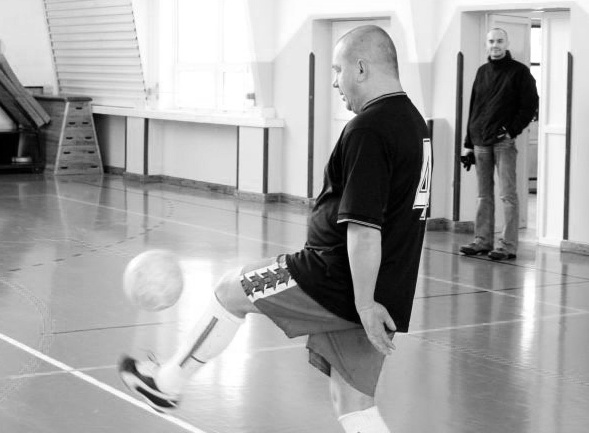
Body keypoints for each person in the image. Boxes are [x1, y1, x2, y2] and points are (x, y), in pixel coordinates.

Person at [118, 24, 432, 433]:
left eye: (337, 70)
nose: (335, 82)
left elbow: (364, 228)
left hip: (335, 280)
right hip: (380, 289)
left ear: (361, 67)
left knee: (231, 291)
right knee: (354, 405)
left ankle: (167, 384)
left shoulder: (369, 129)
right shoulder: (414, 123)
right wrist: (372, 301)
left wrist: (365, 304)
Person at [460, 27, 538, 261]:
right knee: (483, 195)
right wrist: (468, 144)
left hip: (503, 143)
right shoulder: (482, 72)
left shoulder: (520, 72)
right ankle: (482, 241)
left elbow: (530, 106)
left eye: (499, 41)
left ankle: (508, 246)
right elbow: (474, 107)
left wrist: (511, 130)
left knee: (507, 196)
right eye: (492, 41)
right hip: (480, 142)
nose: (495, 45)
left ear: (507, 43)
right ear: (487, 44)